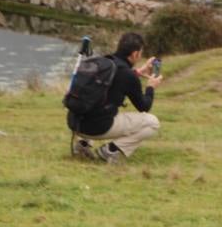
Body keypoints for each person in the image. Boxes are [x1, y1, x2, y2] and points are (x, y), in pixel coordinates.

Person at [67, 31, 162, 163]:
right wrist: (151, 87)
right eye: (140, 53)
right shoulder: (128, 75)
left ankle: (82, 145)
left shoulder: (103, 62)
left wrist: (138, 72)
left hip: (74, 123)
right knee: (152, 122)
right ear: (135, 54)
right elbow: (144, 106)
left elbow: (118, 79)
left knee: (95, 103)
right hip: (97, 128)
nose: (140, 56)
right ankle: (111, 150)